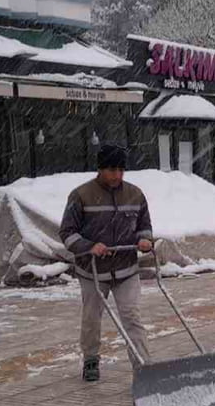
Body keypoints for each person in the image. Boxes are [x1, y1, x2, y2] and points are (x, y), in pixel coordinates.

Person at [58, 144, 154, 381]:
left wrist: (145, 240)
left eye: (121, 170)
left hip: (126, 269)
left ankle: (143, 366)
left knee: (132, 317)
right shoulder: (81, 195)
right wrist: (89, 246)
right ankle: (91, 358)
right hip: (92, 271)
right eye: (112, 170)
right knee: (92, 317)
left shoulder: (135, 194)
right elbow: (67, 232)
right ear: (100, 169)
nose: (117, 175)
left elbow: (145, 226)